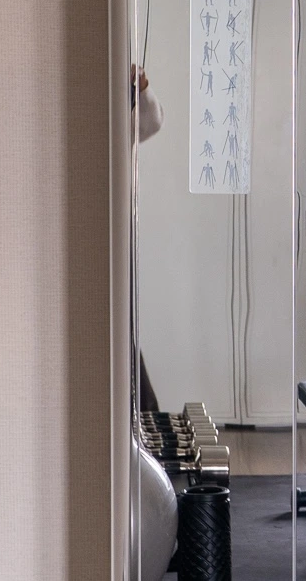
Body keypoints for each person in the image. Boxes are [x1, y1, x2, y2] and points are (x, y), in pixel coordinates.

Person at [132, 65, 164, 411]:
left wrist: (141, 89)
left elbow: (152, 123)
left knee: (125, 328)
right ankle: (147, 416)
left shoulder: (117, 90)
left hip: (117, 228)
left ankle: (147, 417)